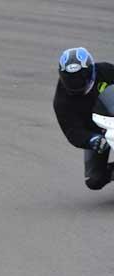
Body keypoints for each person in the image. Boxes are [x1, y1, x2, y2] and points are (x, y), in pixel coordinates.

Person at [53, 47, 114, 190]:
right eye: (70, 79)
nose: (75, 82)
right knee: (94, 180)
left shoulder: (106, 71)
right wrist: (92, 140)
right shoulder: (62, 101)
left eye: (80, 77)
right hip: (97, 133)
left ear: (91, 70)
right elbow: (72, 131)